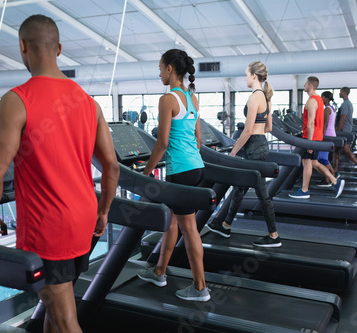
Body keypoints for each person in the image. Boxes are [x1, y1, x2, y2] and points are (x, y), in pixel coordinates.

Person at [0, 15, 119, 333]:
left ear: (22, 47)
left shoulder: (16, 101)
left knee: (67, 319)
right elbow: (111, 166)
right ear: (59, 49)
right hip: (84, 221)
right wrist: (105, 210)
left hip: (49, 230)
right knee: (54, 310)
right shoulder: (88, 102)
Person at [137, 49, 210, 302]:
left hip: (180, 172)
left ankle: (200, 288)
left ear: (170, 69)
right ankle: (159, 271)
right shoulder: (192, 98)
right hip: (197, 168)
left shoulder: (167, 100)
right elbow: (198, 139)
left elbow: (162, 143)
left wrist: (146, 173)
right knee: (172, 224)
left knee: (189, 229)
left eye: (160, 68)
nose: (159, 73)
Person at [206, 61, 281, 248]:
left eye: (247, 74)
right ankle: (225, 224)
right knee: (240, 186)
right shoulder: (266, 96)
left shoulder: (254, 97)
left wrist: (232, 152)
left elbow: (247, 131)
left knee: (261, 192)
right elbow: (269, 127)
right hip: (262, 144)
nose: (245, 78)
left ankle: (273, 236)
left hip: (253, 146)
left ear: (254, 76)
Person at [289, 77, 345, 199]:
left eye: (305, 83)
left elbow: (310, 123)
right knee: (314, 163)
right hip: (317, 137)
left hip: (311, 138)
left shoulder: (311, 101)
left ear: (310, 86)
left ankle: (304, 191)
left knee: (307, 163)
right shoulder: (319, 99)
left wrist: (309, 143)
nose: (303, 85)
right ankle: (335, 181)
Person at [334, 87, 357, 177]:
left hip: (343, 131)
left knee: (346, 151)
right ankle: (335, 170)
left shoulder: (345, 104)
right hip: (346, 130)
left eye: (340, 92)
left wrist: (337, 131)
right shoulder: (348, 103)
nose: (339, 93)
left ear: (344, 93)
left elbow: (343, 118)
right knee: (336, 150)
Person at [316, 91, 338, 187]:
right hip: (331, 135)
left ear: (326, 98)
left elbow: (325, 125)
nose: (321, 99)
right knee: (323, 158)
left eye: (322, 97)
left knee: (322, 158)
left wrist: (322, 137)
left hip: (327, 136)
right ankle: (327, 179)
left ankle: (331, 176)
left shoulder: (327, 110)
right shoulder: (332, 108)